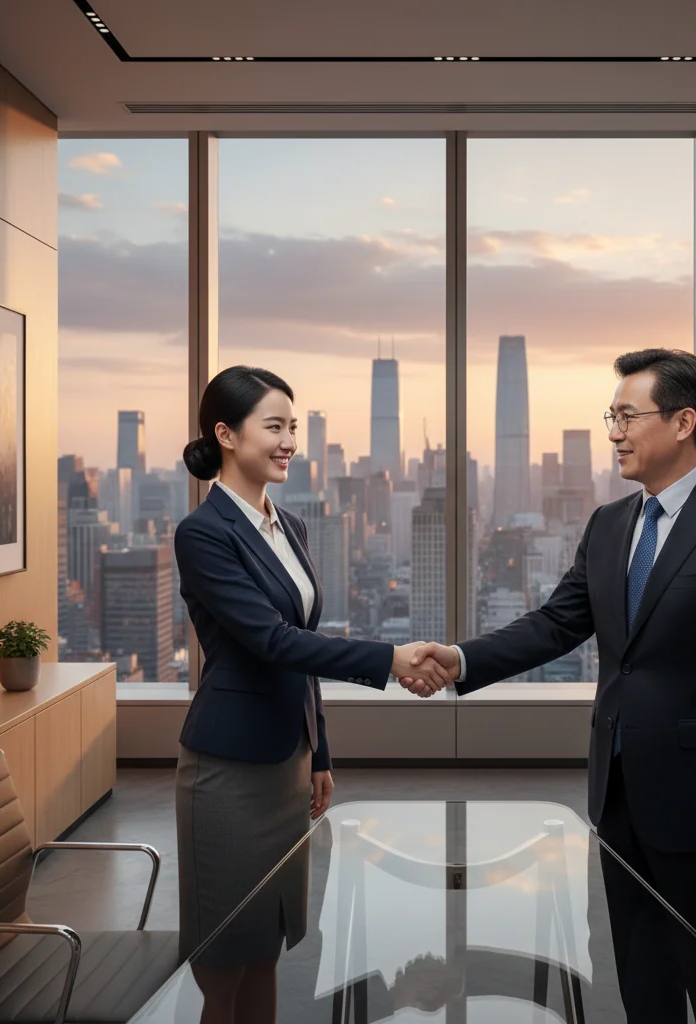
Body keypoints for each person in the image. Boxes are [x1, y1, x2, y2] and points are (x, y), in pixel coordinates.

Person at [409, 348, 696, 1022]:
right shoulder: (610, 524)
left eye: (627, 416)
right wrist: (462, 660)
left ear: (683, 423)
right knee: (641, 978)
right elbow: (557, 624)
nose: (613, 431)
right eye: (610, 416)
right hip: (618, 792)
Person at [174, 365, 447, 1024]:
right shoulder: (205, 534)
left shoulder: (289, 526)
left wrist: (318, 751)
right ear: (226, 434)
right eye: (274, 426)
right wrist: (387, 659)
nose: (289, 440)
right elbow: (272, 642)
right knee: (223, 959)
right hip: (229, 771)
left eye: (293, 427)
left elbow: (302, 647)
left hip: (286, 763)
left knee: (267, 944)